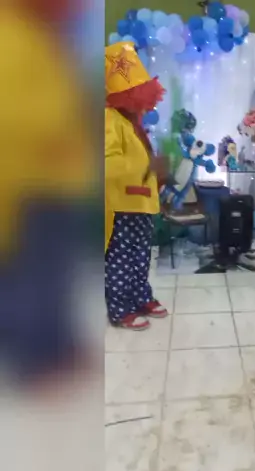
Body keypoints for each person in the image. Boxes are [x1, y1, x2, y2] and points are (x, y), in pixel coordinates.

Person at [105, 41, 170, 331]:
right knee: (121, 259)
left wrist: (160, 175)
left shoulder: (133, 122)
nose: (147, 105)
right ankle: (120, 309)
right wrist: (148, 166)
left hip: (142, 203)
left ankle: (141, 297)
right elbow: (107, 165)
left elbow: (142, 163)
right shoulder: (109, 119)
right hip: (122, 205)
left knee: (141, 257)